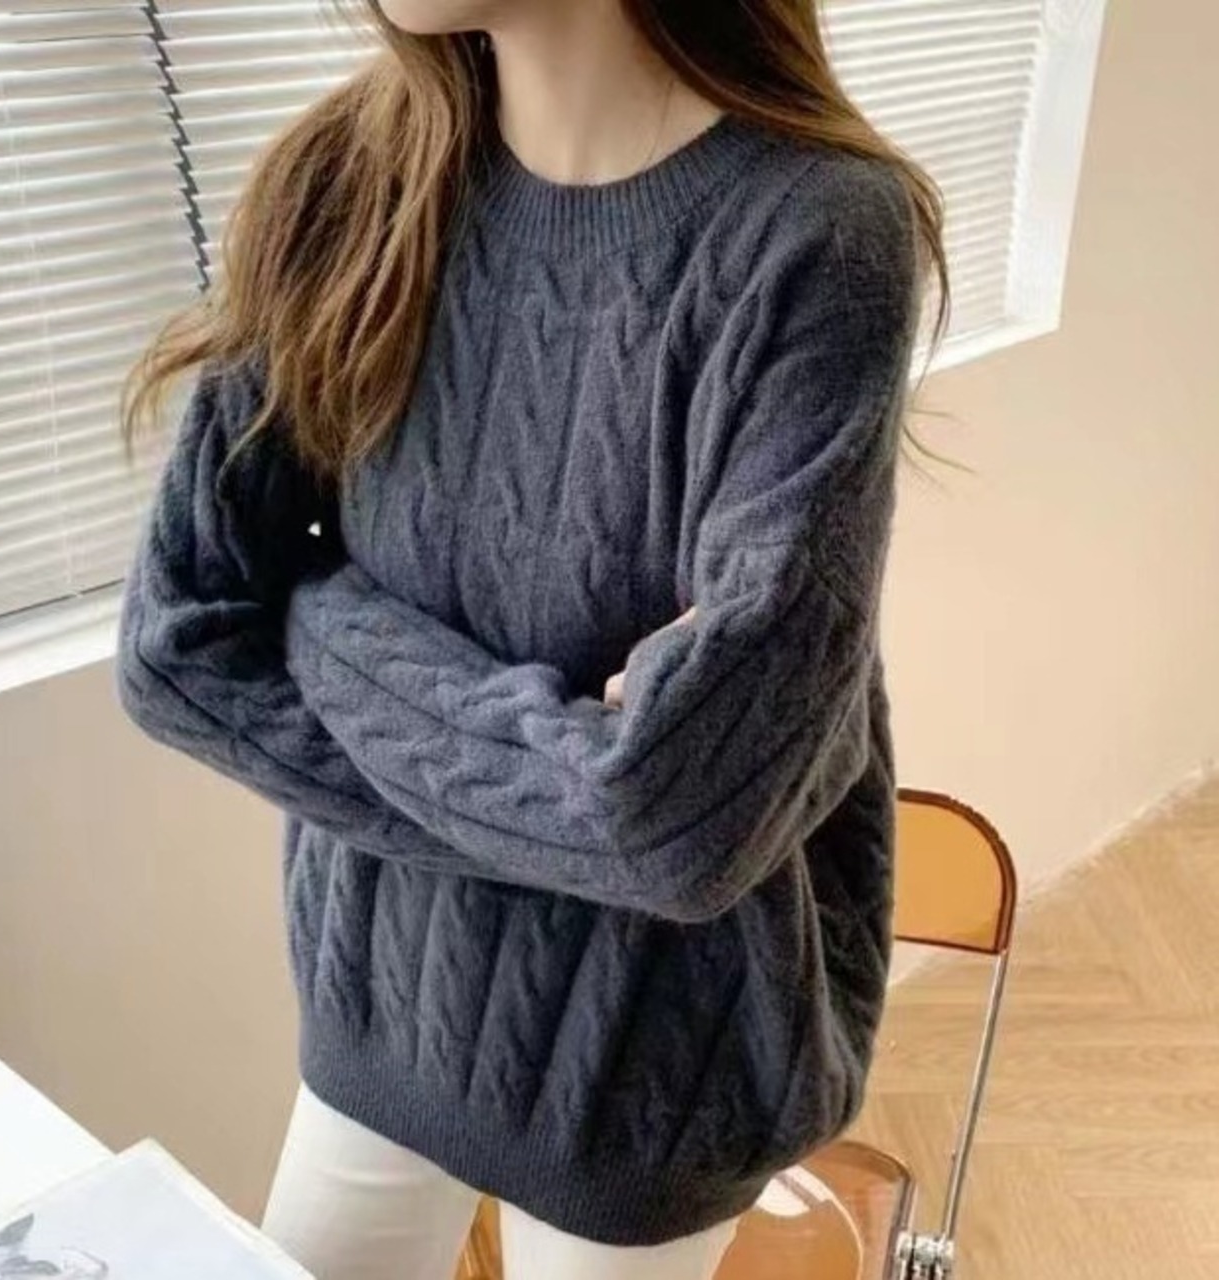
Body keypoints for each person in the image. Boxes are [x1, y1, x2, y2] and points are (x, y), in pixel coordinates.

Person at [115, 1, 946, 1277]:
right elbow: (180, 644)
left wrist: (323, 617)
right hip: (382, 1000)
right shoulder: (346, 181)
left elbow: (673, 818)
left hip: (646, 1063)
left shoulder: (817, 235)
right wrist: (570, 765)